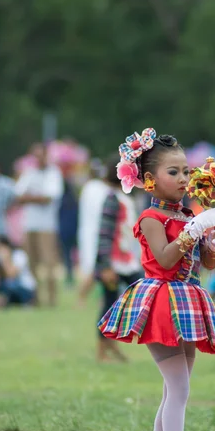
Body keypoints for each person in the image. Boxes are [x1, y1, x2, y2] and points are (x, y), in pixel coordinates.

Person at [98, 128, 215, 431]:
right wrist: (194, 229)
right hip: (160, 304)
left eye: (186, 171)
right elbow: (165, 258)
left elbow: (202, 263)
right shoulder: (151, 219)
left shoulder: (186, 214)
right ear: (148, 180)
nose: (184, 178)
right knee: (179, 387)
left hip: (188, 302)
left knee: (176, 387)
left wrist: (212, 239)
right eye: (173, 172)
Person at [95, 154, 142, 363]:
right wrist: (105, 266)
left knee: (137, 293)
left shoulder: (125, 199)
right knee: (109, 304)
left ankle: (110, 343)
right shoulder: (112, 199)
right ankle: (103, 348)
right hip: (113, 262)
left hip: (126, 259)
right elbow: (104, 233)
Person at [15, 143, 64, 306]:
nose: (38, 158)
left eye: (41, 155)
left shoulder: (54, 173)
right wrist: (37, 198)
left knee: (49, 264)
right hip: (29, 225)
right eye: (35, 155)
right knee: (31, 264)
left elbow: (49, 198)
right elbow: (18, 196)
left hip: (47, 227)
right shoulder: (29, 173)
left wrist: (30, 197)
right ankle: (35, 298)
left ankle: (52, 299)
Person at [77, 159, 109, 305]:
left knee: (97, 268)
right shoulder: (98, 188)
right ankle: (81, 299)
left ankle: (99, 299)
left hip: (88, 232)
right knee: (94, 268)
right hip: (96, 233)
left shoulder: (88, 188)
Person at [0, 236, 36, 306]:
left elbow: (11, 275)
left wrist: (5, 259)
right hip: (3, 288)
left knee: (8, 287)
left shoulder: (19, 255)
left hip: (24, 289)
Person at [58, 180, 78, 286]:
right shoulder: (74, 201)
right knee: (73, 255)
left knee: (66, 256)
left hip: (64, 232)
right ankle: (72, 275)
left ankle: (69, 276)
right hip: (73, 231)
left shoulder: (61, 201)